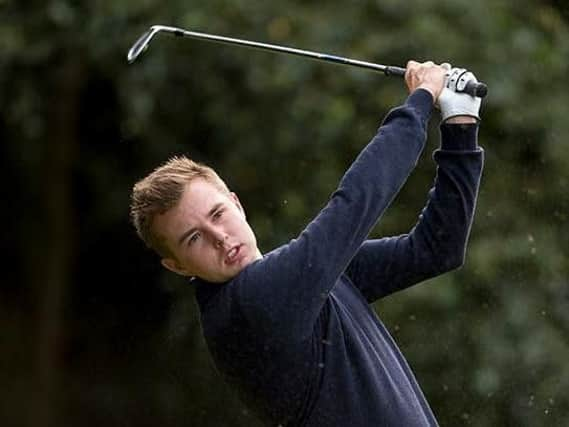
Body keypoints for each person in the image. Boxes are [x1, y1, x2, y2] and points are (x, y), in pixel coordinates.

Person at [130, 61, 484, 427]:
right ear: (178, 266)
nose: (219, 238)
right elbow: (354, 203)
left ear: (236, 203)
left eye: (217, 214)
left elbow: (435, 250)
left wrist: (460, 128)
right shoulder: (247, 306)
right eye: (194, 238)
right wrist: (421, 100)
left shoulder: (303, 281)